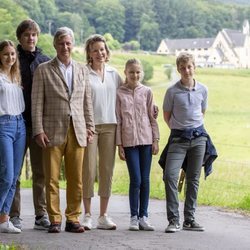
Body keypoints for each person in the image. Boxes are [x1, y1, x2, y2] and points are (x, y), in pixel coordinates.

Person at [31, 27, 95, 233]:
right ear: (55, 45)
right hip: (51, 131)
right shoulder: (43, 69)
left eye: (68, 43)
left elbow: (87, 102)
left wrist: (90, 127)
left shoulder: (82, 69)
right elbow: (37, 102)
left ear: (73, 44)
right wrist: (38, 129)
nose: (65, 47)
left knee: (76, 178)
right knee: (51, 178)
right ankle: (55, 219)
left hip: (77, 130)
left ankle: (73, 218)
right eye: (61, 43)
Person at [162, 52, 212, 233]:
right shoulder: (172, 91)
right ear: (178, 69)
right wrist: (180, 129)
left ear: (194, 67)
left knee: (193, 179)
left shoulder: (203, 90)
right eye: (182, 68)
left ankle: (189, 219)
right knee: (170, 176)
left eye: (189, 66)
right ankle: (173, 220)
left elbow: (202, 112)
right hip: (178, 139)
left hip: (199, 139)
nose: (186, 70)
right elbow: (166, 116)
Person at [10, 19, 50, 230]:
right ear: (20, 37)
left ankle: (40, 214)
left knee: (40, 171)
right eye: (26, 35)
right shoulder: (11, 59)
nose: (30, 38)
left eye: (33, 34)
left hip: (39, 125)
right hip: (16, 122)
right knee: (13, 171)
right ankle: (13, 214)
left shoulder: (45, 61)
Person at [82, 34, 123, 230]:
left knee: (107, 170)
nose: (100, 53)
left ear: (107, 52)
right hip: (90, 127)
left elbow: (127, 96)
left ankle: (103, 215)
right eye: (95, 50)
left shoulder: (115, 73)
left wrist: (150, 107)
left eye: (102, 49)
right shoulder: (83, 73)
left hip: (110, 126)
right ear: (89, 53)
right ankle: (87, 215)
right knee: (88, 169)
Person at [116, 59, 160, 231]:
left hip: (146, 141)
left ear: (141, 73)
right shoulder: (119, 93)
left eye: (137, 72)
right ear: (125, 73)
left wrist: (155, 140)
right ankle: (134, 217)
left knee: (146, 180)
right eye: (131, 72)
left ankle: (144, 216)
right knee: (136, 179)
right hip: (129, 142)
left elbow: (152, 118)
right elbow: (118, 120)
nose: (135, 75)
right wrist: (119, 144)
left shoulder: (147, 92)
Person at [0, 40, 26, 233]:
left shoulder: (16, 76)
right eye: (6, 54)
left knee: (15, 176)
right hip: (4, 125)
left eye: (12, 54)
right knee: (6, 176)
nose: (10, 57)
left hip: (20, 125)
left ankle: (4, 219)